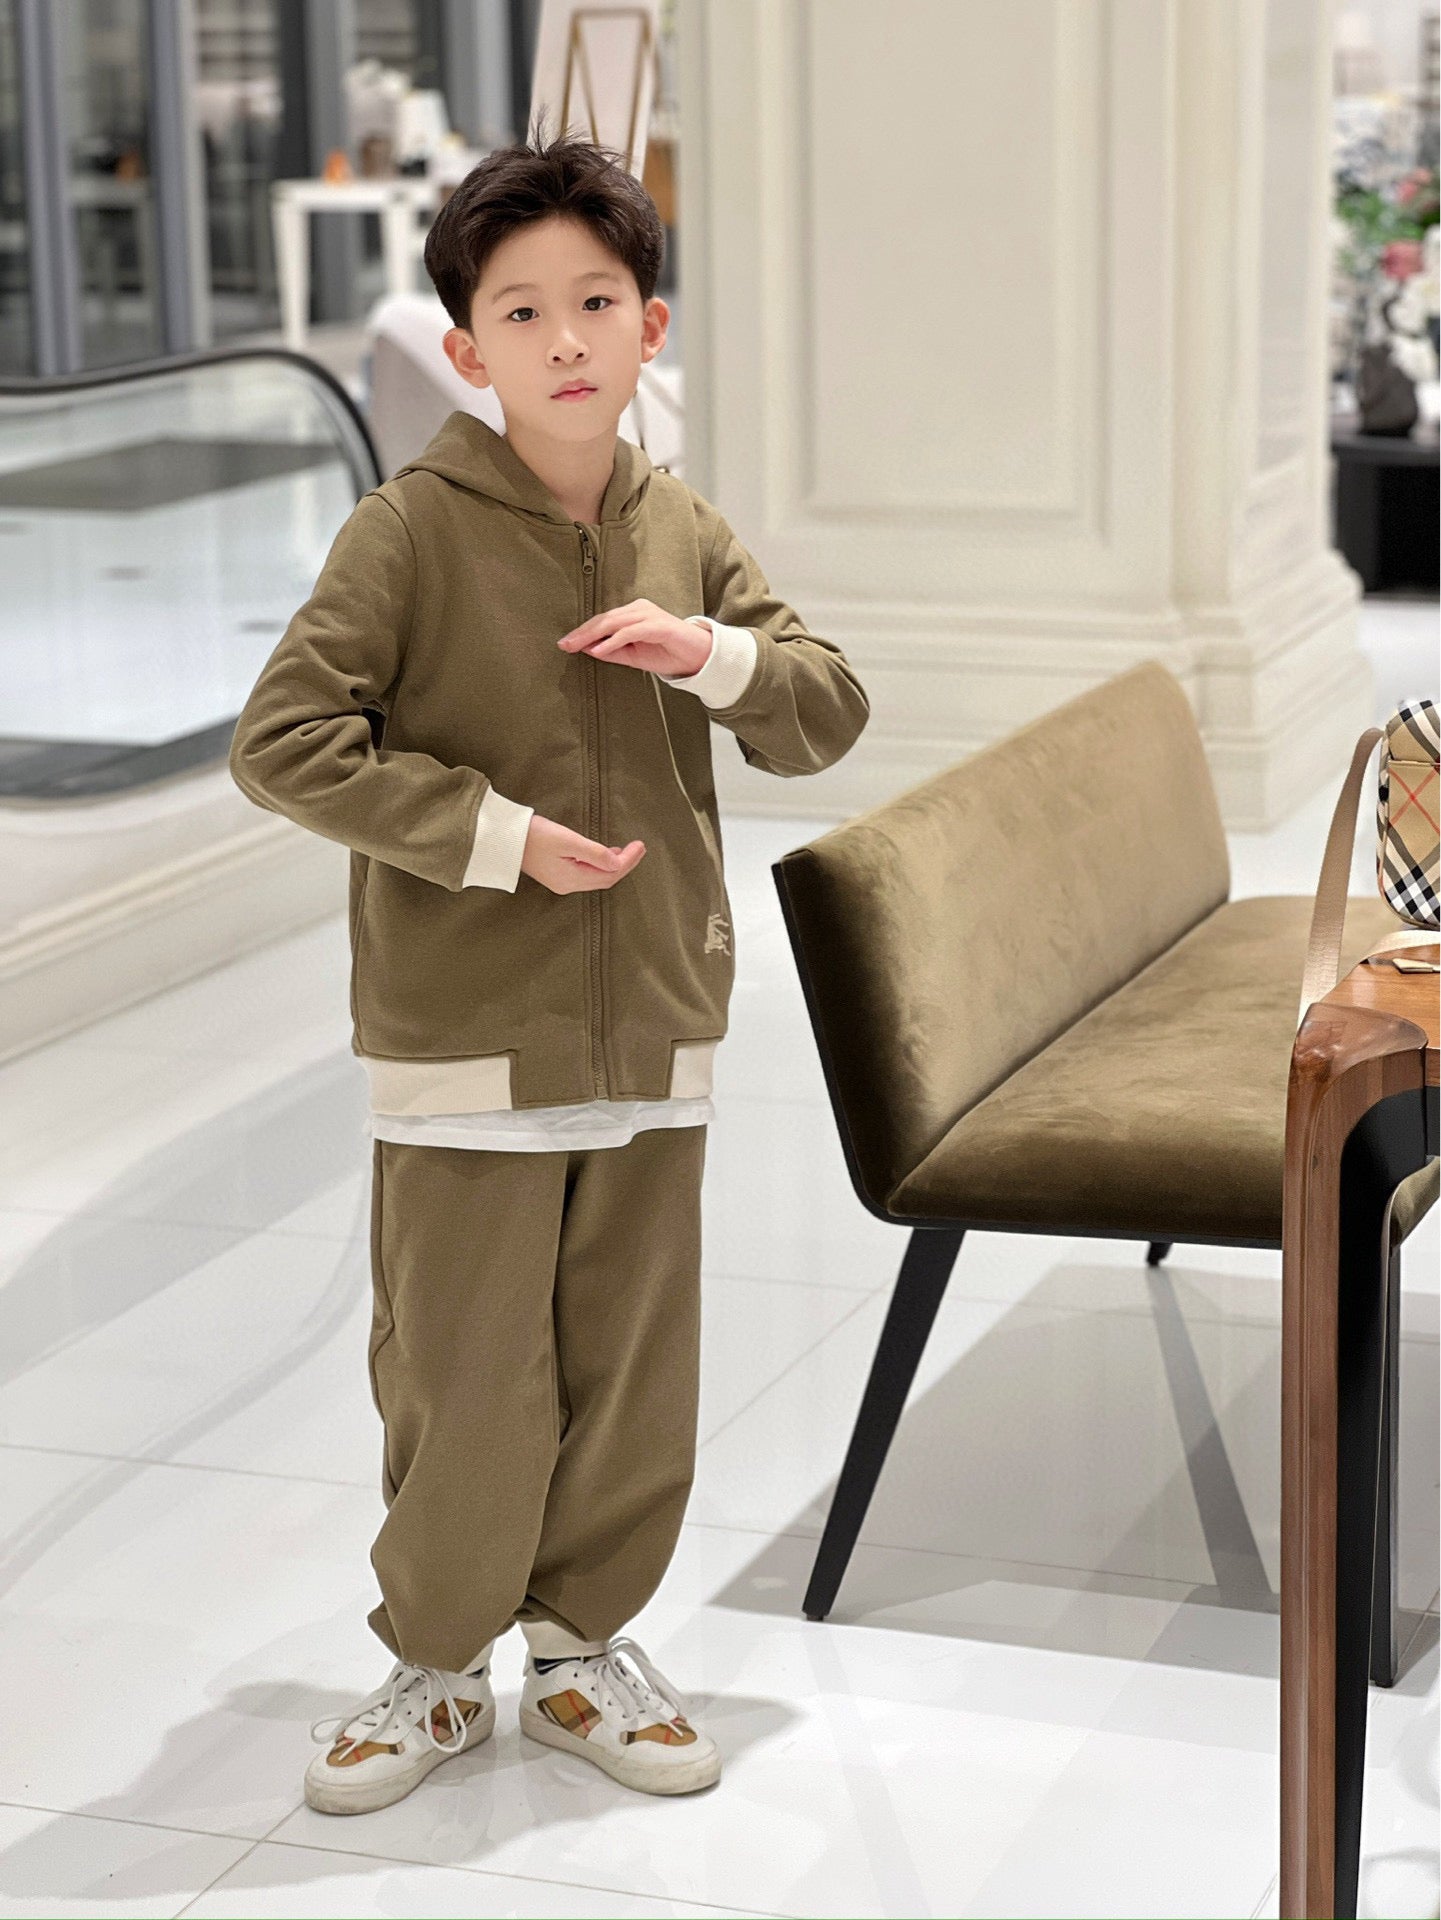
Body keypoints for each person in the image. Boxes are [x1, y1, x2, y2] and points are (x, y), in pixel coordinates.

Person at [228, 122, 869, 1817]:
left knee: (631, 1371)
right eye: (520, 312)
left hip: (655, 1018)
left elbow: (823, 708)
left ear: (650, 327)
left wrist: (707, 652)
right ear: (468, 351)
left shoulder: (685, 527)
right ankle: (438, 1669)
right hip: (464, 1030)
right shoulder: (406, 533)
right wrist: (497, 838)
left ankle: (583, 1651)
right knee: (462, 1376)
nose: (565, 340)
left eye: (596, 302)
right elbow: (284, 744)